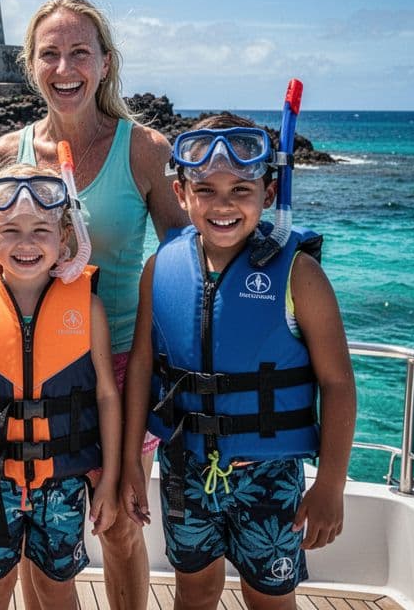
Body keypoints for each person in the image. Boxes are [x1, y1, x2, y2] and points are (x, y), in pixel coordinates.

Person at [0, 0, 187, 610]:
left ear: (104, 62)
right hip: (31, 375)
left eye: (79, 53)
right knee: (39, 538)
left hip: (120, 366)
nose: (64, 70)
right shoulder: (3, 156)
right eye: (50, 55)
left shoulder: (145, 150)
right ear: (31, 63)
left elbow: (190, 260)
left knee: (121, 521)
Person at [121, 113, 356, 609]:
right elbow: (141, 371)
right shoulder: (160, 269)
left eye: (240, 190)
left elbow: (337, 383)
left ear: (269, 194)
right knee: (194, 591)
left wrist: (331, 483)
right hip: (185, 466)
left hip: (270, 475)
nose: (222, 205)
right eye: (204, 190)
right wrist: (129, 467)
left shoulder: (300, 274)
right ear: (181, 194)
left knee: (270, 599)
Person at [0, 162, 122, 610]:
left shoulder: (88, 310)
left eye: (41, 229)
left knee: (58, 589)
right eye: (10, 230)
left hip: (63, 481)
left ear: (66, 237)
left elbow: (107, 396)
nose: (26, 243)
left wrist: (110, 480)